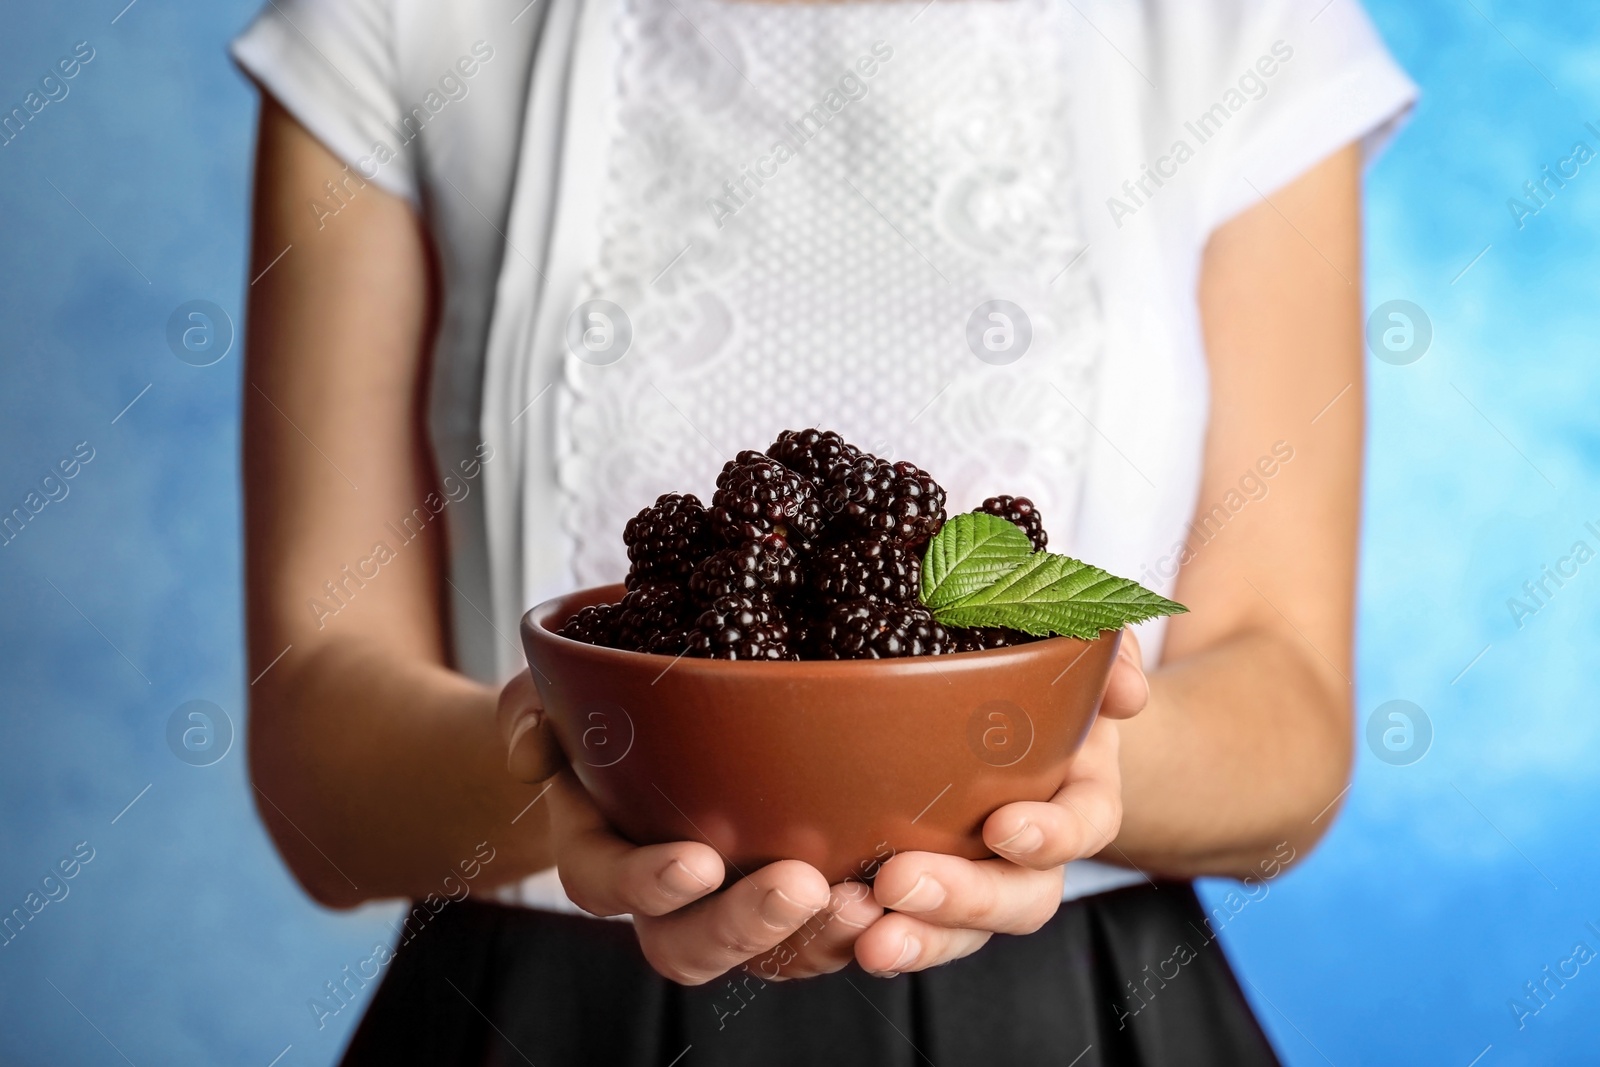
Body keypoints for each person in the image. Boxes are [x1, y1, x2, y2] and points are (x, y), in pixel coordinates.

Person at [232, 0, 1413, 1061]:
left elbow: (1291, 728)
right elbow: (316, 767)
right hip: (537, 1013)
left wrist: (1046, 766)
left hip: (1076, 1007)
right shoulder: (397, 22)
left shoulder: (1242, 28)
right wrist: (589, 772)